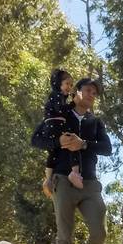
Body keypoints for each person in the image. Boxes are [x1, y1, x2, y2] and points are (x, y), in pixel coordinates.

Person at [50, 77, 113, 244]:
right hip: (63, 180)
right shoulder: (61, 114)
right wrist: (48, 176)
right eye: (87, 90)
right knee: (64, 239)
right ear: (77, 92)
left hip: (90, 184)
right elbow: (42, 141)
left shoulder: (95, 122)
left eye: (94, 94)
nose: (91, 95)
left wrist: (84, 144)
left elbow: (107, 148)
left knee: (99, 232)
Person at [41, 68, 84, 196]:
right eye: (67, 84)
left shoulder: (59, 96)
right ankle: (74, 173)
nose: (69, 87)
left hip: (53, 125)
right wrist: (74, 103)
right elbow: (61, 110)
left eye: (71, 85)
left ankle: (49, 180)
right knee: (73, 143)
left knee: (54, 153)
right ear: (58, 83)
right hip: (55, 124)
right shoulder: (56, 95)